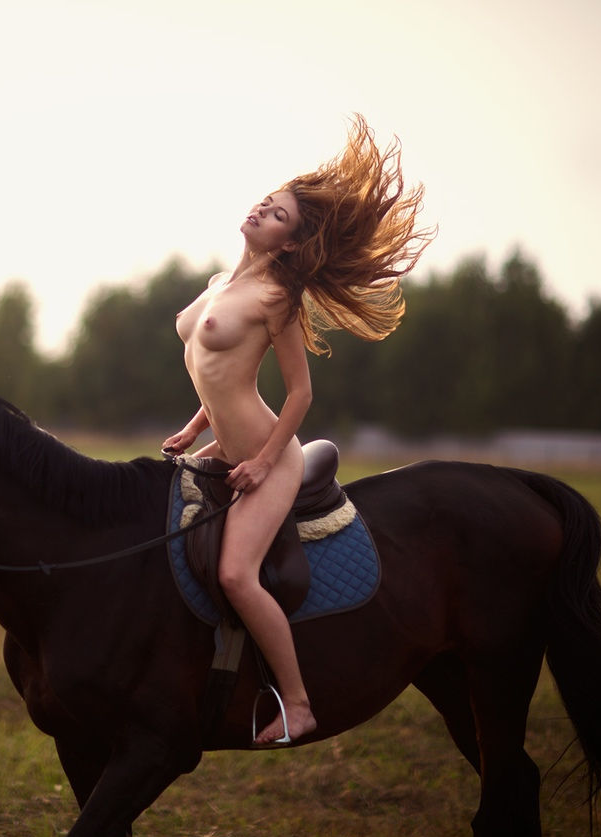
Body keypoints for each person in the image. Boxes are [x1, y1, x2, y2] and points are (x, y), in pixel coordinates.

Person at [163, 115, 432, 745]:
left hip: (271, 458)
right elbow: (217, 374)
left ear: (288, 244)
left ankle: (300, 703)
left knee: (236, 575)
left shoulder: (277, 297)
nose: (262, 209)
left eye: (278, 213)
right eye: (267, 200)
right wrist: (194, 429)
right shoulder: (218, 285)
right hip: (224, 447)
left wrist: (263, 462)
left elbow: (301, 394)